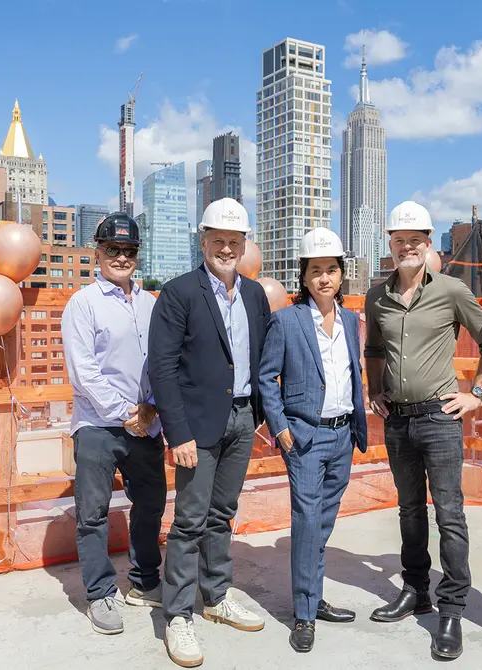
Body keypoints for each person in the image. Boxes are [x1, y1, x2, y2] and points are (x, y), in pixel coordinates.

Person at [364, 201, 482, 661]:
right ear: (390, 244)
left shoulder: (451, 291)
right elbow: (373, 348)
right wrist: (374, 389)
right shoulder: (375, 296)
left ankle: (453, 608)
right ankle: (415, 590)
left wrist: (477, 395)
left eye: (416, 240)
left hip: (440, 419)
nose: (408, 246)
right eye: (400, 239)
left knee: (449, 514)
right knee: (408, 510)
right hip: (399, 420)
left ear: (428, 244)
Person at [148, 197, 271, 668]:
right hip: (196, 427)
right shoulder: (180, 293)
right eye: (217, 240)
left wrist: (259, 414)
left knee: (223, 513)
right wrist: (176, 433)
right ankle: (178, 615)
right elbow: (161, 367)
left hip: (242, 419)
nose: (225, 248)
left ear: (244, 245)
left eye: (233, 241)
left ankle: (216, 596)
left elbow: (261, 356)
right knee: (190, 521)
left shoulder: (255, 295)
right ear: (203, 242)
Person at [258, 227, 368, 653]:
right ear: (303, 277)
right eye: (316, 270)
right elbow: (268, 376)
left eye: (332, 270)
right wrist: (280, 427)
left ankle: (313, 595)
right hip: (303, 436)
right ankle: (304, 614)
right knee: (306, 523)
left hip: (343, 435)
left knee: (322, 523)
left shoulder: (351, 320)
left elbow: (352, 373)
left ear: (342, 275)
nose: (324, 277)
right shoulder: (286, 320)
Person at [61, 212, 165, 635]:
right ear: (98, 252)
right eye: (112, 249)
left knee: (151, 505)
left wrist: (151, 409)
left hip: (147, 424)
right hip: (99, 427)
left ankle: (142, 581)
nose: (121, 257)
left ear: (137, 255)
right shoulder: (82, 304)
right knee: (92, 514)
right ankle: (100, 593)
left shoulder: (150, 302)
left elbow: (163, 363)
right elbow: (83, 371)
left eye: (129, 250)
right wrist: (127, 413)